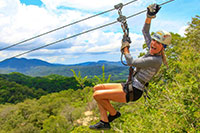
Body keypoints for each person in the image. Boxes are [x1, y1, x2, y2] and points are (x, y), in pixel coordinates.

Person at [89, 3, 172, 130]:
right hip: (130, 84)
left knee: (97, 96)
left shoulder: (155, 60)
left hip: (134, 90)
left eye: (158, 43)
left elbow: (131, 61)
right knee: (97, 88)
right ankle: (104, 120)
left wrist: (125, 47)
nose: (153, 43)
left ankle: (113, 114)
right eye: (154, 40)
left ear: (163, 47)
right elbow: (145, 31)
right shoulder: (152, 48)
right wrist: (149, 16)